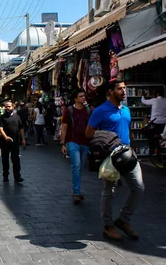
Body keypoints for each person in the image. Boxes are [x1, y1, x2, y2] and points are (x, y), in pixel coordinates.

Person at [86, 80, 144, 241]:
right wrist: (107, 140)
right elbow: (89, 133)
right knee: (109, 192)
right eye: (120, 89)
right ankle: (108, 225)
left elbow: (128, 129)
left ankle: (123, 219)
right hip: (110, 157)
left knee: (138, 187)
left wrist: (133, 147)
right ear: (110, 91)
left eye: (124, 88)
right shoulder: (100, 111)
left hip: (128, 154)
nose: (123, 91)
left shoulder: (126, 110)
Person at [61, 89, 91, 204]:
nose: (83, 98)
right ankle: (76, 192)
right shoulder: (69, 111)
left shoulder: (88, 110)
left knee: (81, 166)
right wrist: (63, 144)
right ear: (75, 99)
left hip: (85, 142)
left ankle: (77, 190)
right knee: (76, 165)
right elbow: (64, 127)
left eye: (84, 96)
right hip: (72, 141)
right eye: (81, 96)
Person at [0, 101, 26, 184]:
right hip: (4, 142)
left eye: (9, 106)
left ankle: (17, 176)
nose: (7, 108)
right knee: (5, 159)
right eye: (6, 106)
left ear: (13, 107)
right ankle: (5, 176)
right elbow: (0, 128)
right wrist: (5, 137)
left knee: (16, 159)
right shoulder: (2, 117)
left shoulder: (17, 117)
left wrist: (23, 139)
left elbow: (21, 128)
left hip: (15, 141)